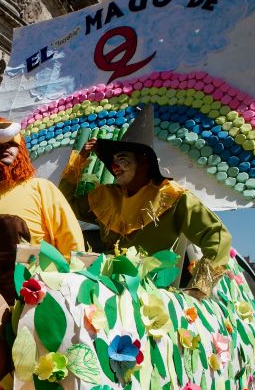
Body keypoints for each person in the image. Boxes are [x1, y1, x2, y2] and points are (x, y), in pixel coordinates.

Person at [58, 104, 232, 296]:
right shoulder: (106, 197)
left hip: (150, 298)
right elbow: (65, 204)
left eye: (122, 159)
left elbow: (218, 237)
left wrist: (199, 289)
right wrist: (79, 160)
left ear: (143, 161)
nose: (114, 167)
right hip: (102, 291)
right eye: (113, 161)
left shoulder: (171, 197)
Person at [0, 117, 85, 304]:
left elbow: (74, 252)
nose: (5, 148)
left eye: (12, 144)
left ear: (20, 149)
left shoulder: (41, 189)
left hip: (34, 308)